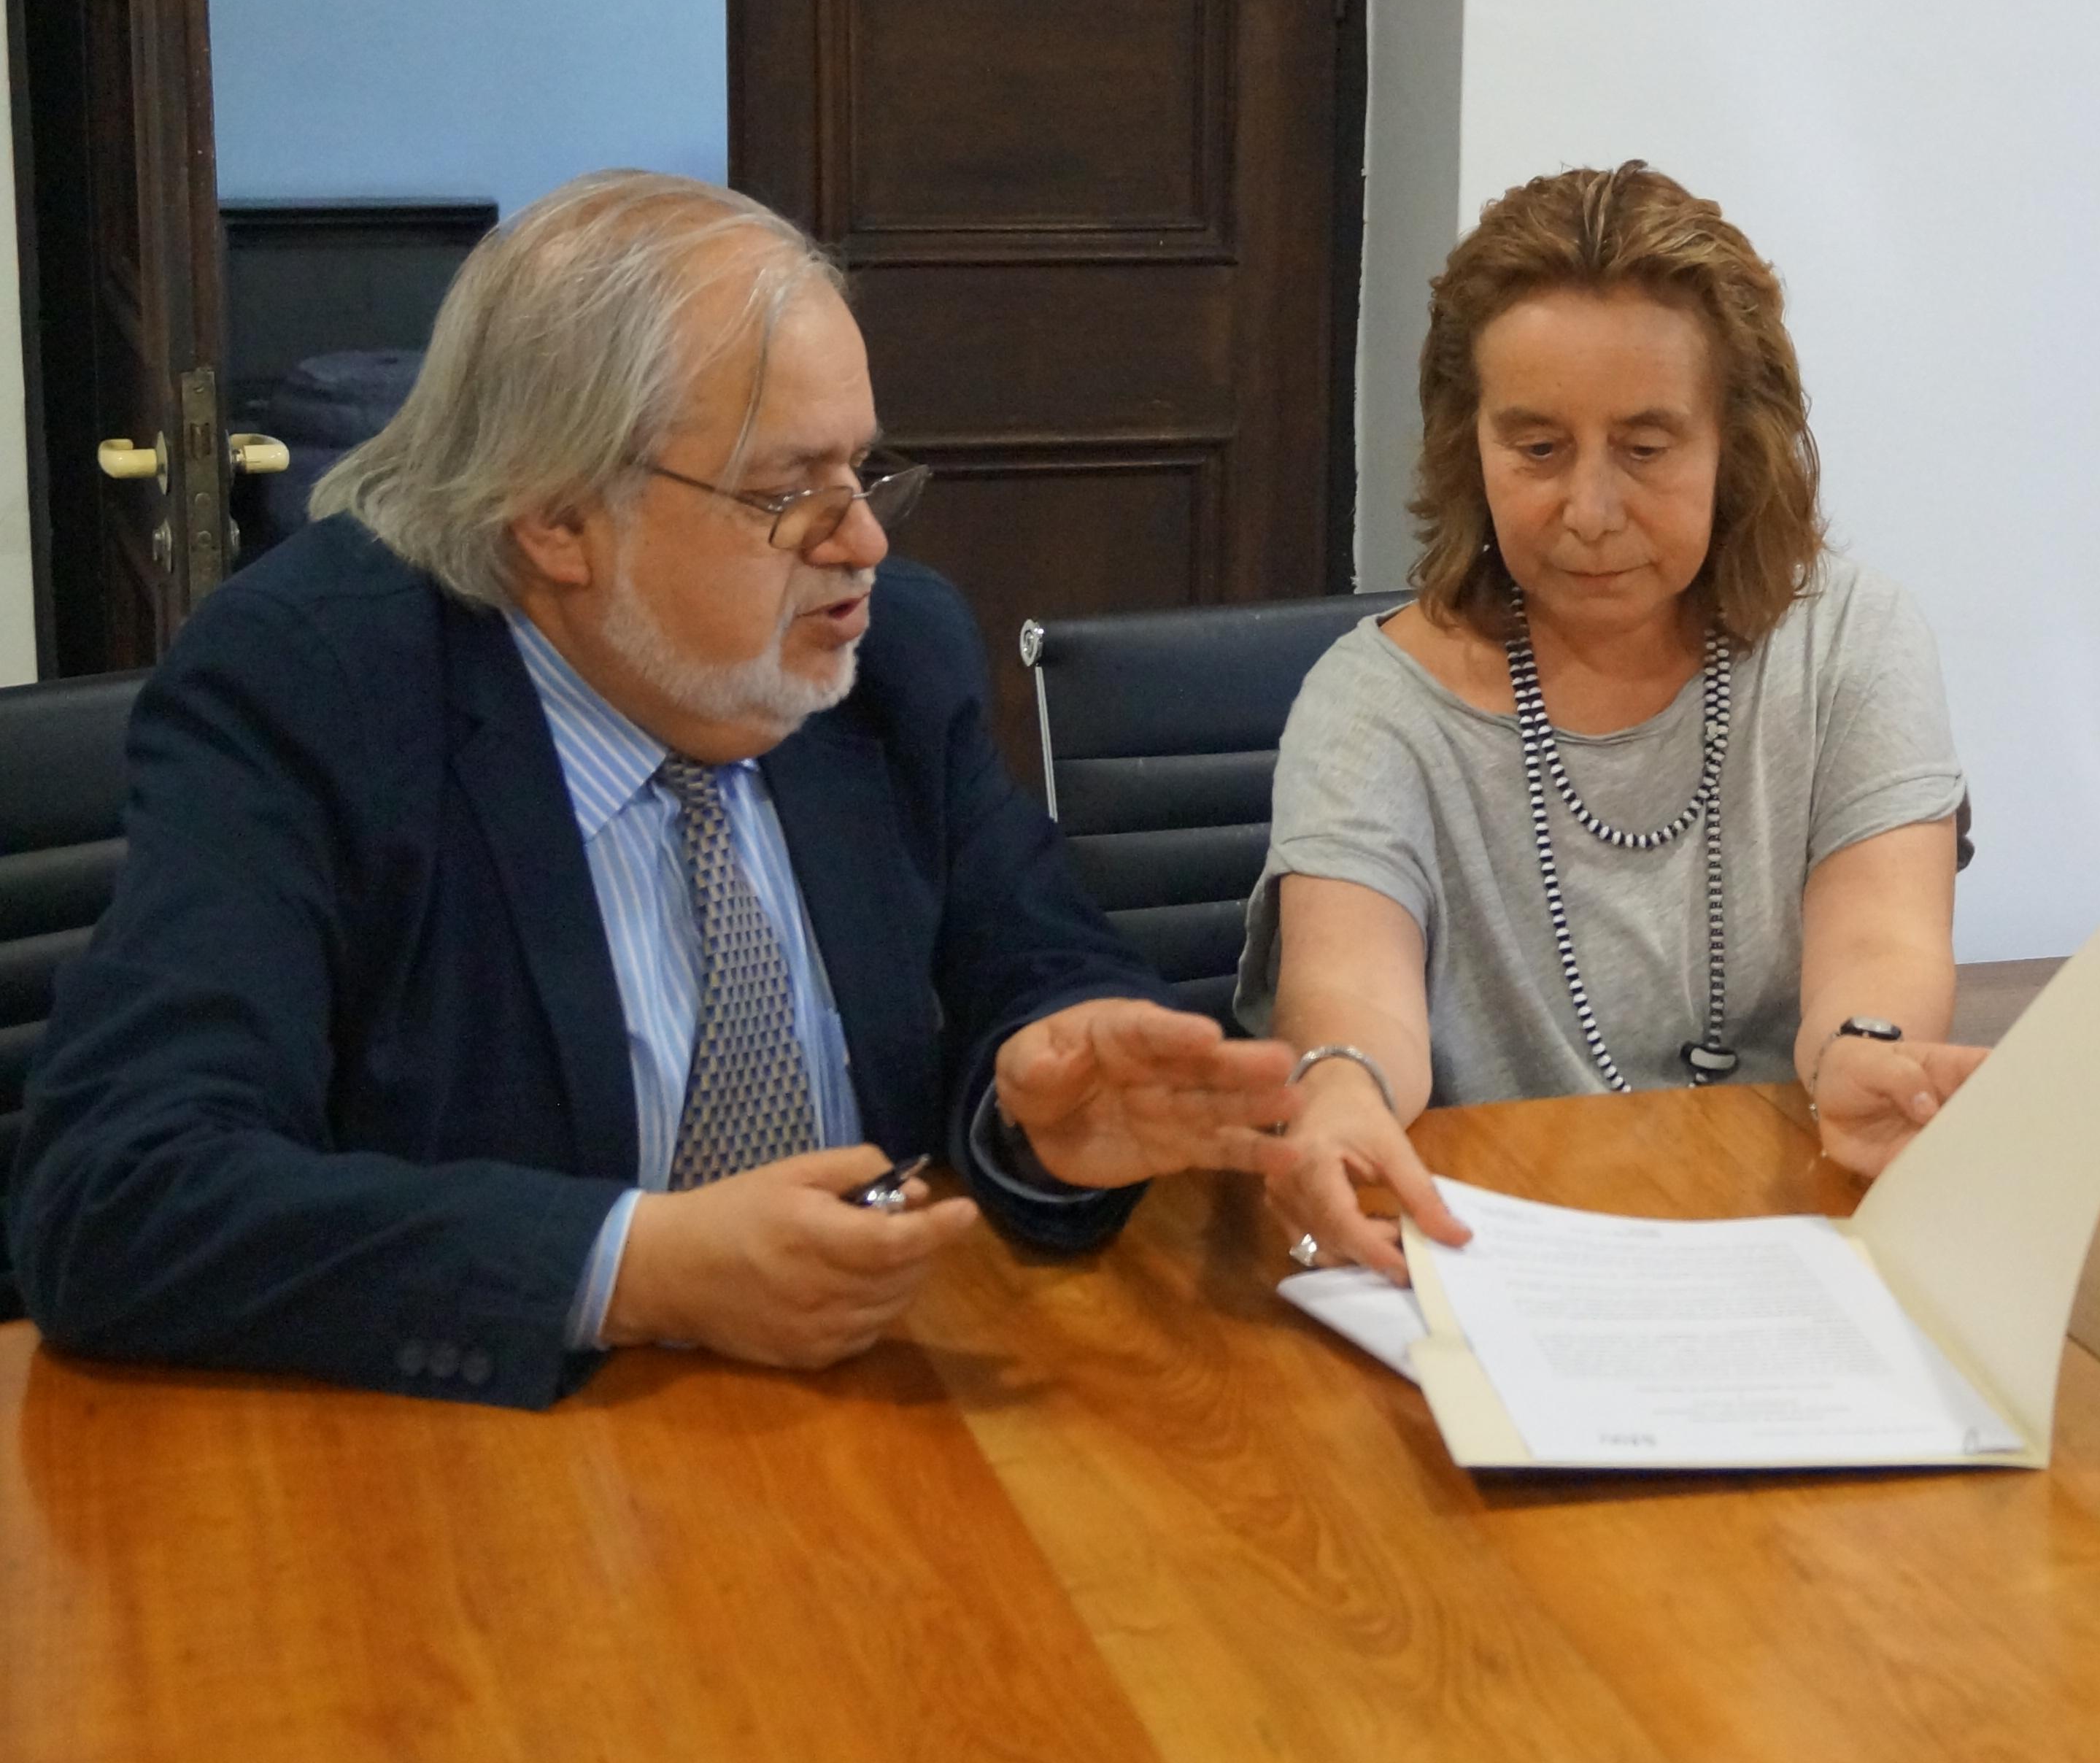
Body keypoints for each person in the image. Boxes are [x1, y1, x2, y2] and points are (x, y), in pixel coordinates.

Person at [8, 173, 1302, 1405]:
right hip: (475, 1468)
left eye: (863, 469)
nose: (864, 542)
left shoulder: (887, 655)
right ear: (554, 522)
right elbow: (119, 1194)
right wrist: (631, 1268)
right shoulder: (316, 690)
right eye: (788, 492)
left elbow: (1039, 972)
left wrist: (1041, 1104)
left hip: (883, 1421)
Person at [1240, 163, 1974, 1276]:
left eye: (1646, 448)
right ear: (1467, 444)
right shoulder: (1372, 706)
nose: (1589, 512)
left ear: (1738, 445)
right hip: (1487, 1246)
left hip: (1792, 1232)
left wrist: (1870, 1054)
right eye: (1536, 449)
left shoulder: (1852, 644)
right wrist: (1339, 1089)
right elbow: (1349, 991)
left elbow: (1881, 943)